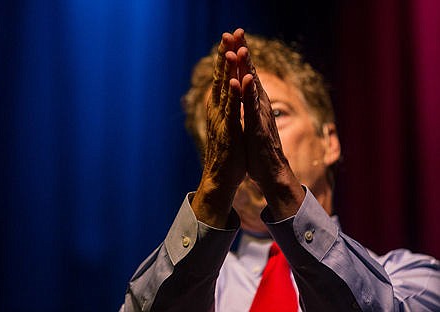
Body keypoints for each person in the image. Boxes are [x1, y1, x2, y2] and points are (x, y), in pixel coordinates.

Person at [122, 29, 440, 311]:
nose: (249, 132)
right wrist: (215, 191)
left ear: (329, 142)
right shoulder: (190, 286)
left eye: (274, 113)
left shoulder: (409, 275)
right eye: (227, 124)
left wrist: (278, 180)